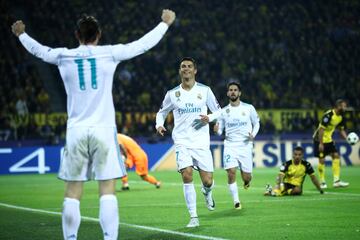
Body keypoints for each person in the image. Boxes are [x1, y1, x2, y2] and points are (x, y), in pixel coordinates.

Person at [12, 9, 175, 240]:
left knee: (72, 191)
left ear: (77, 35)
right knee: (106, 190)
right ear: (98, 34)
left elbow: (40, 51)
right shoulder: (109, 53)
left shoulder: (63, 56)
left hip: (77, 131)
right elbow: (141, 45)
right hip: (103, 130)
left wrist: (21, 34)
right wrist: (164, 24)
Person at [155, 57, 221, 228]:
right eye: (183, 66)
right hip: (182, 141)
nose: (186, 69)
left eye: (189, 66)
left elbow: (218, 111)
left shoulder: (205, 91)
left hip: (201, 142)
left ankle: (207, 192)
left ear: (195, 70)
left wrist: (212, 119)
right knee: (187, 174)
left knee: (207, 181)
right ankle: (193, 217)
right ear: (180, 71)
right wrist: (159, 124)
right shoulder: (172, 94)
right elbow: (161, 112)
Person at [213, 81, 260, 209]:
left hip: (245, 146)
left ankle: (246, 182)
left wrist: (253, 135)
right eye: (231, 90)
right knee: (231, 172)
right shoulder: (223, 111)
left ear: (239, 93)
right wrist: (217, 131)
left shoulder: (249, 108)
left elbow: (257, 123)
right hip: (230, 146)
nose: (233, 92)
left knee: (247, 177)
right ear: (228, 93)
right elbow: (220, 131)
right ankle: (236, 201)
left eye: (235, 90)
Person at [313, 99, 349, 189]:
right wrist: (321, 144)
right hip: (319, 139)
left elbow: (341, 130)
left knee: (336, 156)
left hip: (329, 139)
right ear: (338, 106)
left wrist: (348, 139)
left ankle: (336, 181)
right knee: (322, 159)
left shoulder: (341, 117)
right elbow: (321, 129)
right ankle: (322, 182)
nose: (345, 108)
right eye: (343, 106)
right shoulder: (328, 115)